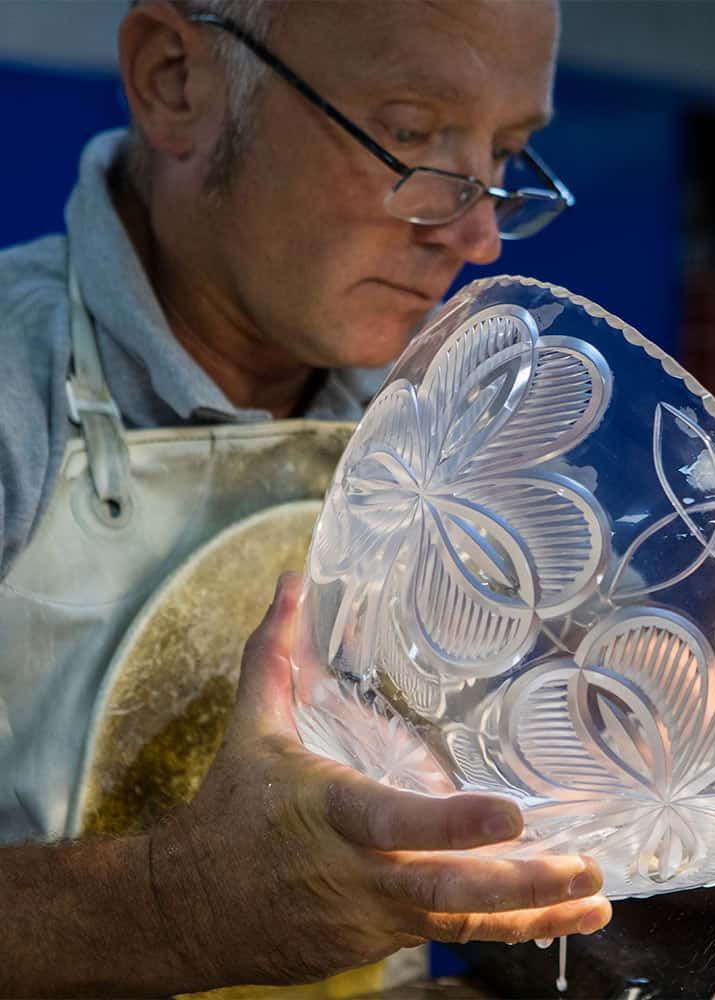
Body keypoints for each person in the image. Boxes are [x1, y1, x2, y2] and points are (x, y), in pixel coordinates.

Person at [0, 0, 612, 994]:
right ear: (175, 80)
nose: (479, 232)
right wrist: (173, 905)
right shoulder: (14, 395)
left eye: (506, 152)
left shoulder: (453, 425)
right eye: (410, 134)